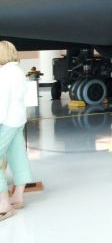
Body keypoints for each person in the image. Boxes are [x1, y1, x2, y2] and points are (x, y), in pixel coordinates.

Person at [0, 40, 33, 220]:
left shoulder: (3, 73)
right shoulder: (18, 71)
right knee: (17, 155)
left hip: (6, 121)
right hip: (19, 119)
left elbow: (1, 102)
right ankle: (18, 196)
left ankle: (4, 204)